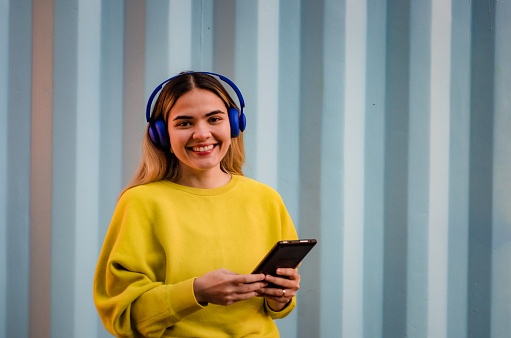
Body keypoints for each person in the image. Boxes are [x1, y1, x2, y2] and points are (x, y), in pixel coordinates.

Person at [93, 72, 300, 337]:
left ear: (235, 124)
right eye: (184, 123)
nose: (202, 134)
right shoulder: (141, 202)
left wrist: (280, 296)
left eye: (214, 119)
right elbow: (121, 317)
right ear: (161, 134)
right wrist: (196, 292)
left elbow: (275, 308)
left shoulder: (266, 199)